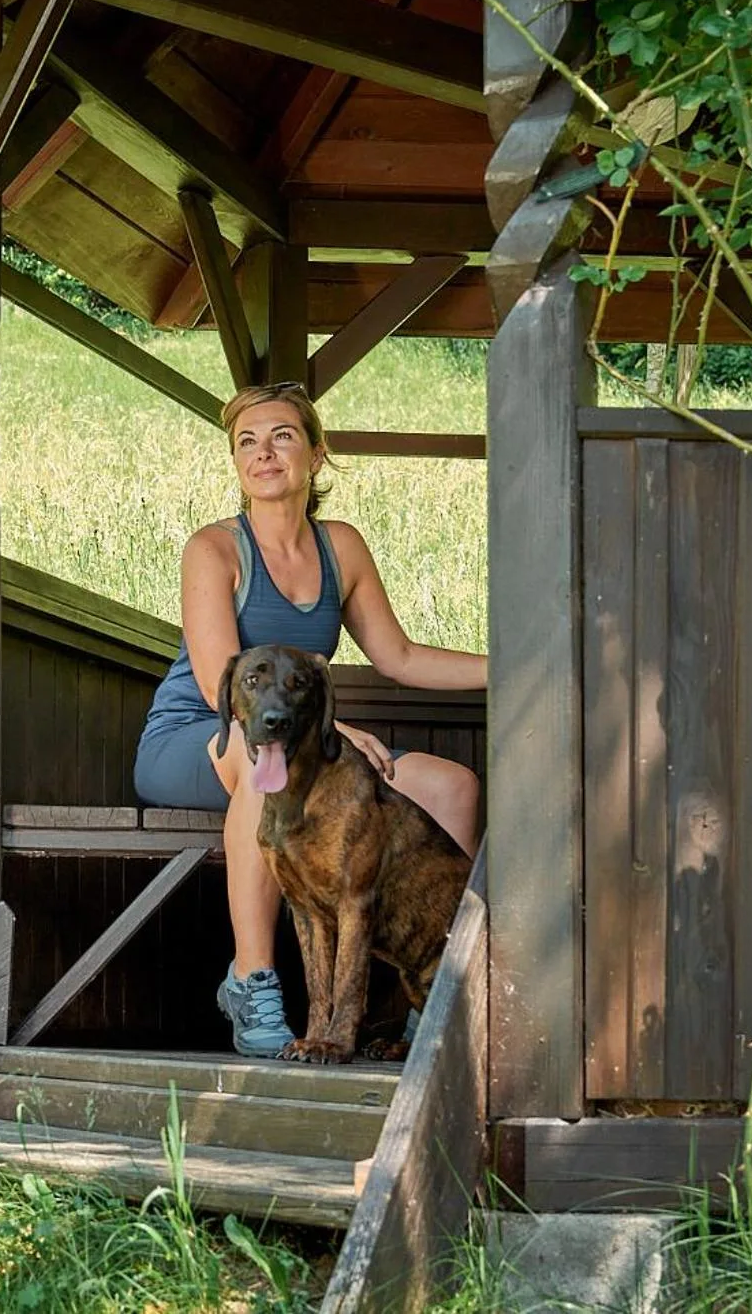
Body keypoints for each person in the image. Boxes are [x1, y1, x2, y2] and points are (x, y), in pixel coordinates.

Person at [131, 381, 486, 1057]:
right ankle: (251, 979)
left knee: (452, 785)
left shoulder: (340, 547)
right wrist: (339, 732)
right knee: (260, 765)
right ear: (236, 461)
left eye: (282, 436)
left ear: (316, 455)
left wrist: (510, 664)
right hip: (201, 736)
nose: (264, 452)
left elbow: (401, 655)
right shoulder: (214, 549)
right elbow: (219, 682)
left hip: (305, 744)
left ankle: (429, 993)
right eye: (247, 442)